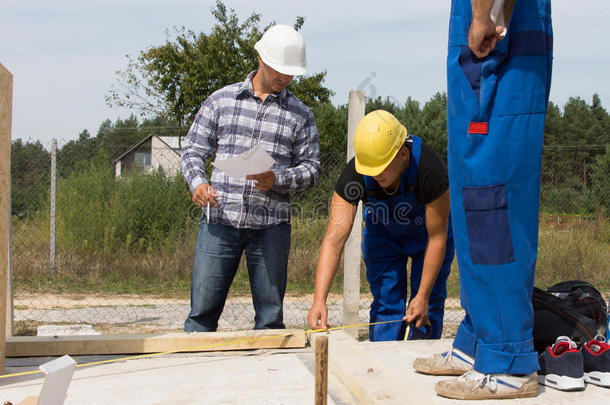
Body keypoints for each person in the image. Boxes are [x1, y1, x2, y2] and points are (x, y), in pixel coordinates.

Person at [413, 0, 553, 400]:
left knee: (493, 204)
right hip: (496, 39)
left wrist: (481, 17)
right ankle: (479, 341)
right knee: (474, 198)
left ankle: (508, 359)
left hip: (497, 44)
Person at [181, 24, 321, 332]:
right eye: (279, 71)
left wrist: (278, 179)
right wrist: (198, 183)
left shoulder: (301, 115)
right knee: (202, 314)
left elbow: (312, 170)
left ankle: (268, 377)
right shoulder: (221, 101)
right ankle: (193, 371)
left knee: (270, 319)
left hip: (271, 227)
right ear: (261, 58)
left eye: (291, 74)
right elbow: (192, 150)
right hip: (219, 220)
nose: (285, 78)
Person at [307, 110, 455, 341]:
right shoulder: (355, 173)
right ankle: (382, 367)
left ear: (403, 154)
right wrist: (319, 300)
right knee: (387, 303)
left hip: (428, 237)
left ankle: (420, 365)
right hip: (383, 236)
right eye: (370, 170)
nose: (375, 176)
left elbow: (437, 238)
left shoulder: (431, 170)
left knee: (426, 305)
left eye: (381, 168)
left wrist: (422, 296)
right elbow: (334, 239)